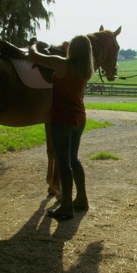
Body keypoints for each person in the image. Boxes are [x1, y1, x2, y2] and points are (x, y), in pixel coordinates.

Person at [29, 35, 94, 221]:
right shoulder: (86, 70)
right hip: (79, 119)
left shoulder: (61, 64)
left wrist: (33, 43)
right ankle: (81, 199)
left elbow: (34, 56)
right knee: (74, 160)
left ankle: (66, 206)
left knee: (63, 162)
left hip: (61, 119)